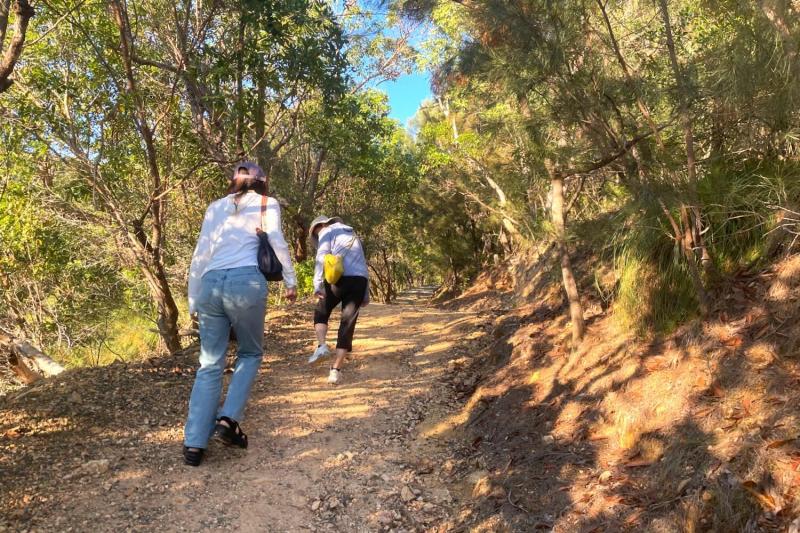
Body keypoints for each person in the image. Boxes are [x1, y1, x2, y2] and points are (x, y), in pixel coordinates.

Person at [182, 162, 297, 466]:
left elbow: (200, 253)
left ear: (234, 182)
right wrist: (290, 280)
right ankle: (228, 420)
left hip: (209, 284)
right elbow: (276, 240)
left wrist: (193, 298)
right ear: (261, 183)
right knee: (250, 353)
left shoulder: (214, 207)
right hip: (245, 282)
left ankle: (194, 444)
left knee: (209, 364)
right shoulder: (266, 203)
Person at [307, 216, 369, 384]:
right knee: (347, 324)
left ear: (321, 225)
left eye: (316, 233)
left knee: (321, 311)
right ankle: (335, 371)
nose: (318, 236)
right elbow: (363, 266)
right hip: (359, 282)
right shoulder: (354, 234)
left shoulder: (327, 231)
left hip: (338, 279)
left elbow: (322, 256)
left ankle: (321, 347)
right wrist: (365, 293)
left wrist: (317, 284)